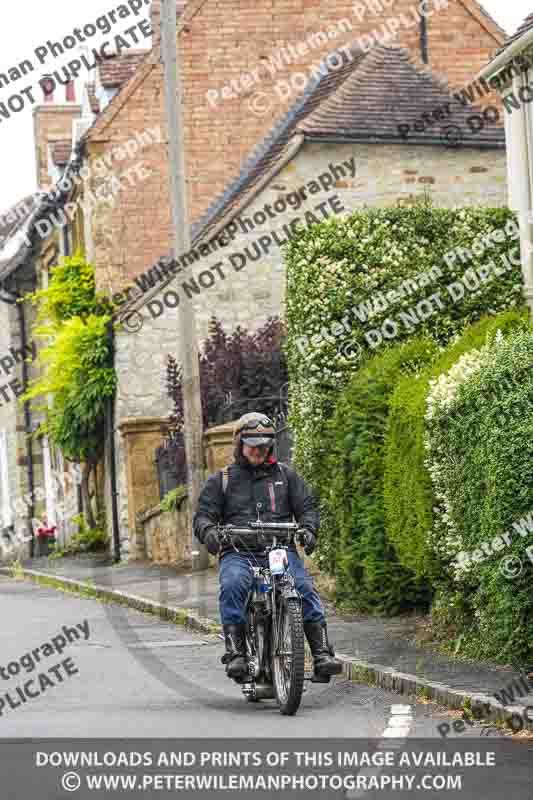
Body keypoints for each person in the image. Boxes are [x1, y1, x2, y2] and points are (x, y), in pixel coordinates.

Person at [193, 411, 343, 682]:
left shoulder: (287, 476)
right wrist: (209, 532)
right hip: (238, 552)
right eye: (252, 444)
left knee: (303, 585)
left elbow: (307, 508)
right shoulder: (222, 479)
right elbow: (203, 515)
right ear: (240, 444)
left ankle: (321, 654)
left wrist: (309, 529)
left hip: (279, 550)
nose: (258, 450)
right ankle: (236, 654)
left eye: (263, 445)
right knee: (233, 585)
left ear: (271, 445)